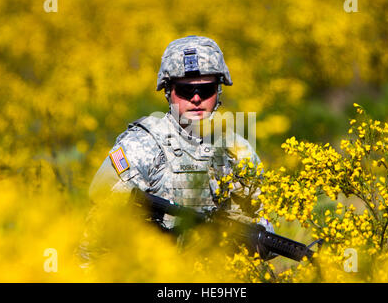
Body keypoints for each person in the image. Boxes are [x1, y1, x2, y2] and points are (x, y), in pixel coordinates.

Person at [82, 36, 274, 263]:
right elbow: (96, 235)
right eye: (185, 90)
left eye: (206, 90)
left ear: (218, 92)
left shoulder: (238, 150)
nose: (195, 99)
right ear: (168, 91)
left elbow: (263, 220)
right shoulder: (141, 146)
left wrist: (255, 241)